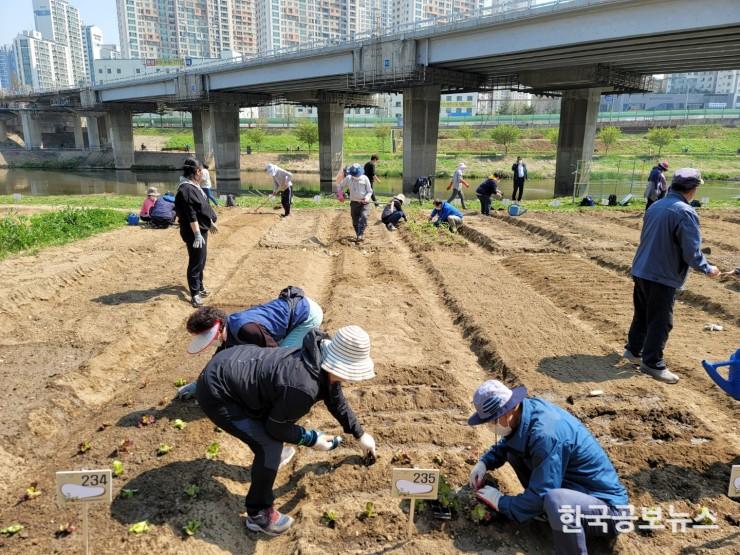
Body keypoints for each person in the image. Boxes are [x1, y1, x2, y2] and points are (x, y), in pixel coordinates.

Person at [195, 325, 378, 535]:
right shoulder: (302, 388)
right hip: (217, 392)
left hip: (233, 364)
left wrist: (360, 433)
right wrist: (311, 439)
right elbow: (276, 429)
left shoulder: (316, 356)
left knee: (270, 430)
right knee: (269, 445)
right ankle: (258, 513)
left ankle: (269, 464)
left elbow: (335, 398)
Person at [468, 380, 629, 555]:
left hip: (608, 512)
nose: (491, 426)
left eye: (492, 421)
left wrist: (502, 502)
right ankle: (547, 513)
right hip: (578, 494)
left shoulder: (546, 435)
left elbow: (542, 493)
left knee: (557, 501)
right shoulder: (525, 414)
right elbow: (509, 444)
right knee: (514, 452)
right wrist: (485, 462)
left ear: (508, 411)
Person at [624, 168, 720, 383]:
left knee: (642, 314)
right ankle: (652, 363)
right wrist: (708, 268)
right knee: (661, 321)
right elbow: (691, 252)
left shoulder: (656, 206)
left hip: (642, 268)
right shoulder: (686, 212)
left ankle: (633, 350)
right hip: (662, 274)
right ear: (693, 190)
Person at [177, 285, 324, 399]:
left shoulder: (247, 330)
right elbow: (218, 358)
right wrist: (199, 384)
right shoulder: (229, 328)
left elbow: (275, 355)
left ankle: (308, 378)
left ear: (217, 328)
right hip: (294, 308)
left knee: (284, 362)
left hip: (306, 315)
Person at [174, 158, 218, 307]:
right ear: (196, 171)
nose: (203, 174)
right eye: (201, 171)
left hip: (201, 229)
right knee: (196, 262)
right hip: (194, 232)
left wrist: (210, 222)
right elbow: (191, 214)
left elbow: (202, 208)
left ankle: (200, 286)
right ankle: (195, 294)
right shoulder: (186, 189)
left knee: (201, 259)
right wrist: (198, 234)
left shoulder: (194, 186)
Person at [342, 163, 373, 242]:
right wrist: (340, 195)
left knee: (364, 216)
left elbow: (370, 191)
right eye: (354, 174)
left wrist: (366, 198)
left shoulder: (365, 178)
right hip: (354, 203)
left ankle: (360, 234)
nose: (356, 176)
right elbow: (340, 186)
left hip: (364, 203)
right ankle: (358, 234)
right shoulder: (348, 178)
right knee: (355, 220)